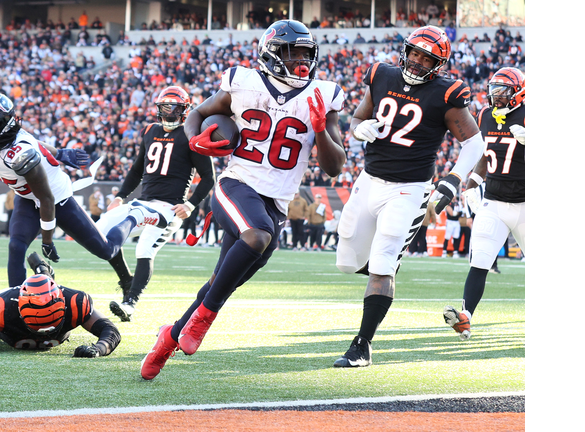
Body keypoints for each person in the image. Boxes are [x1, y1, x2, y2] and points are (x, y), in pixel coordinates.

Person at [139, 20, 346, 380]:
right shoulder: (243, 81)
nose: (299, 59)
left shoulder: (324, 94)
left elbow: (334, 167)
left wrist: (319, 131)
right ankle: (205, 320)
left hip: (276, 202)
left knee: (224, 276)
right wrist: (194, 140)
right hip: (237, 184)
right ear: (272, 52)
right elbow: (200, 114)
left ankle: (169, 337)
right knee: (257, 236)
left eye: (304, 52)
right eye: (291, 51)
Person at [334, 25, 485, 367]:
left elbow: (474, 142)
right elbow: (358, 115)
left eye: (425, 57)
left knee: (383, 260)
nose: (416, 61)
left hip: (409, 188)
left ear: (439, 63)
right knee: (347, 260)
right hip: (369, 179)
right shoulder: (381, 75)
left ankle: (362, 345)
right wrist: (359, 128)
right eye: (414, 53)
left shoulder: (446, 93)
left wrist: (451, 181)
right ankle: (387, 264)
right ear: (405, 51)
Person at [0, 92, 168, 287]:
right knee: (16, 247)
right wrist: (59, 153)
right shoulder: (2, 140)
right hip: (29, 198)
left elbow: (47, 199)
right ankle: (14, 303)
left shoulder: (18, 155)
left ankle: (135, 217)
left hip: (57, 200)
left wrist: (47, 239)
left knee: (105, 250)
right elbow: (35, 142)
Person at [99, 86, 215, 322]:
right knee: (100, 232)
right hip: (142, 202)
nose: (169, 112)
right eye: (165, 106)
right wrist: (121, 195)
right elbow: (136, 169)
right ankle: (126, 279)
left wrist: (191, 205)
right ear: (158, 108)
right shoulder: (150, 131)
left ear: (185, 110)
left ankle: (130, 302)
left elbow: (209, 177)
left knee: (144, 249)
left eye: (175, 107)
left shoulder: (191, 134)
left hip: (169, 208)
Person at [444, 67, 525, 341]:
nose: (497, 97)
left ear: (518, 92)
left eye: (503, 92)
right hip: (494, 202)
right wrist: (472, 183)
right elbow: (485, 153)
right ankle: (466, 318)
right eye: (494, 91)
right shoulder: (485, 115)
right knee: (479, 261)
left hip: (528, 205)